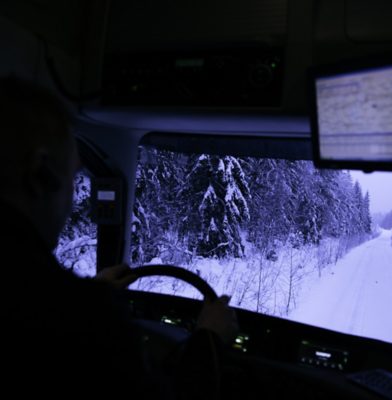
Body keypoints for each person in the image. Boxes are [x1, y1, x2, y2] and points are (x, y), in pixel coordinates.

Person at [0, 76, 238, 397]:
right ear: (40, 173)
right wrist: (209, 340)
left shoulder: (56, 305)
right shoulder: (85, 319)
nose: (72, 200)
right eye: (72, 177)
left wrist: (93, 292)